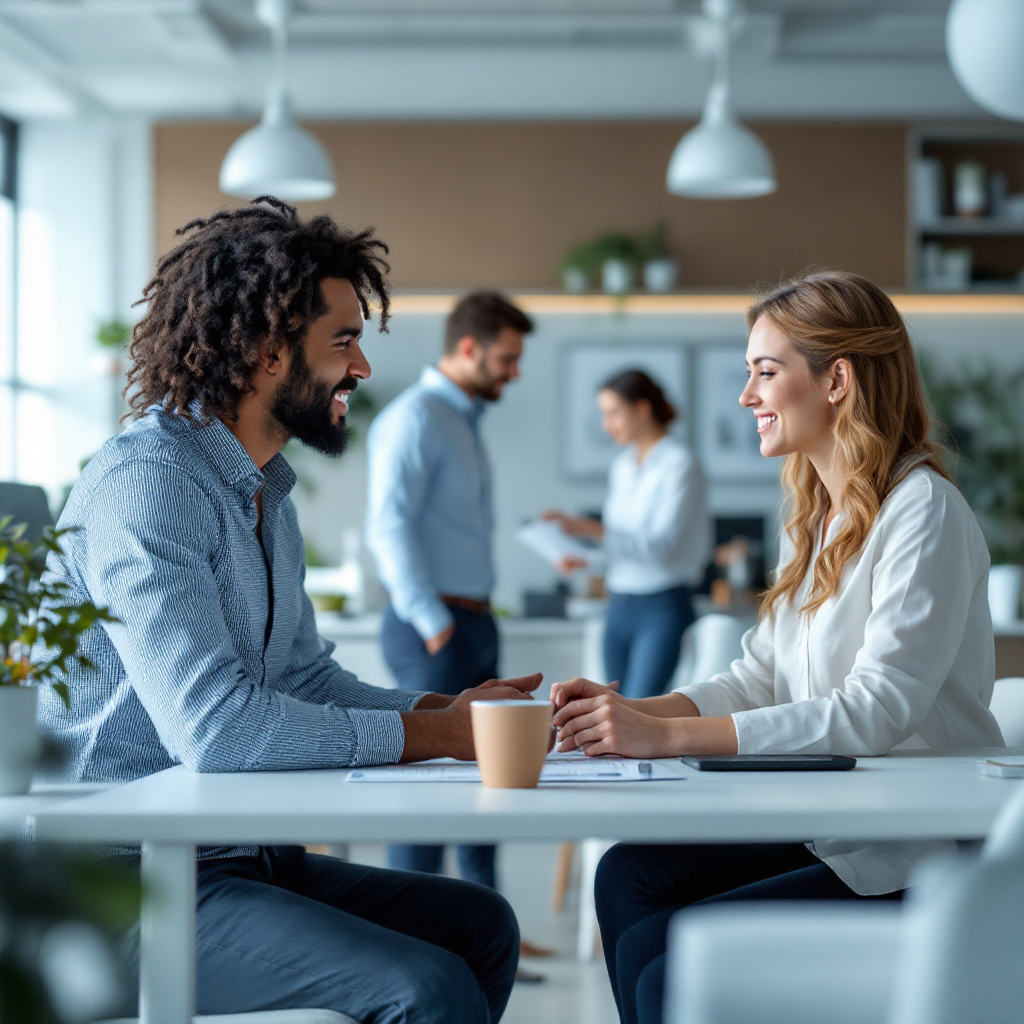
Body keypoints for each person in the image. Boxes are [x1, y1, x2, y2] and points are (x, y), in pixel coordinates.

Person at [37, 200, 536, 1024]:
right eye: (343, 341)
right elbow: (217, 730)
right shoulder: (151, 483)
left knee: (479, 926)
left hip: (232, 857)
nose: (364, 367)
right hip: (119, 884)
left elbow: (301, 674)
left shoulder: (265, 489)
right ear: (267, 354)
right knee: (427, 987)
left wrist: (444, 710)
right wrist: (445, 738)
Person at [548, 271, 1005, 1024]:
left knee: (671, 964)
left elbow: (876, 708)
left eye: (765, 372)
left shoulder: (923, 510)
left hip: (907, 851)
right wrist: (627, 710)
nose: (746, 396)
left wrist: (666, 735)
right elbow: (757, 674)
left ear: (837, 381)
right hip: (835, 824)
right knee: (627, 875)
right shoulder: (824, 515)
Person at [365, 291, 544, 923]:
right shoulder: (415, 419)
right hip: (435, 626)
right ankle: (407, 934)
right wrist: (435, 622)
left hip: (471, 620)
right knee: (426, 787)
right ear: (468, 348)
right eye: (507, 358)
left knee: (485, 779)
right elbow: (387, 526)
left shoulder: (460, 420)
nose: (514, 372)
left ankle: (486, 926)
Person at [544, 369, 712, 700]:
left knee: (638, 709)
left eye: (613, 412)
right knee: (613, 707)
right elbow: (620, 549)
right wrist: (585, 561)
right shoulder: (622, 467)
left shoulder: (680, 464)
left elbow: (661, 549)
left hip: (662, 605)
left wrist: (589, 527)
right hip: (618, 605)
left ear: (642, 408)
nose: (607, 425)